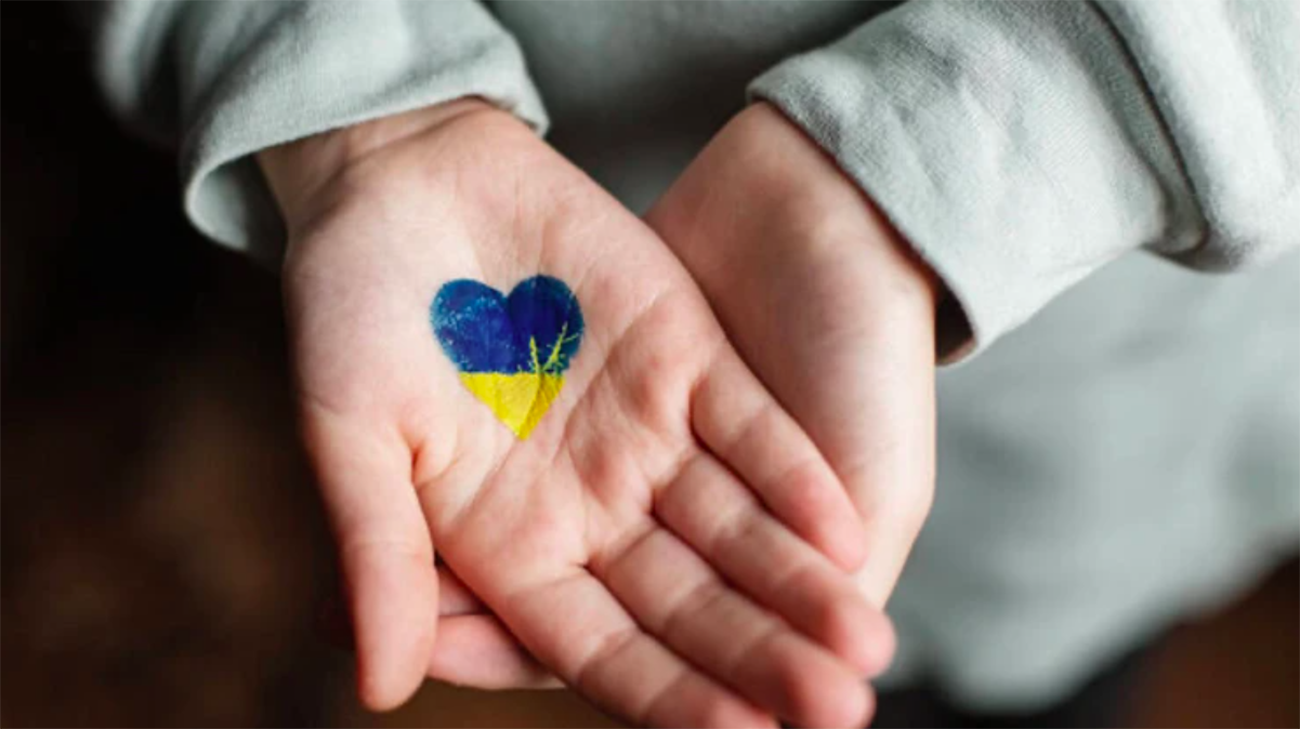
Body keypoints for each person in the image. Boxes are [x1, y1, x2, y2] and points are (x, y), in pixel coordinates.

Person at [81, 1, 1300, 728]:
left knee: (1024, 679)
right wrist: (359, 112)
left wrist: (943, 163)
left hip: (1098, 439)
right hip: (499, 327)